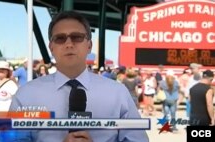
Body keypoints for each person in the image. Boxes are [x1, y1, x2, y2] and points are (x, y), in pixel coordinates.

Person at [9, 11, 148, 142]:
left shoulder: (118, 93)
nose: (69, 44)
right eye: (60, 38)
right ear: (51, 47)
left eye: (77, 37)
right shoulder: (26, 95)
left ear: (89, 45)